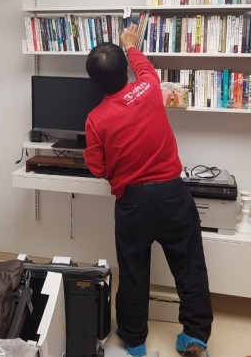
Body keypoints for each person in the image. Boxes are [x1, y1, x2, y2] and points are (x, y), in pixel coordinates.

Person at [83, 24, 213, 356]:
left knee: (133, 272)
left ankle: (135, 341)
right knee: (190, 267)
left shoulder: (96, 119)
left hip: (133, 203)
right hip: (173, 195)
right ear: (124, 71)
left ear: (95, 82)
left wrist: (114, 166)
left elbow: (97, 167)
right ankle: (195, 337)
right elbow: (145, 68)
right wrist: (130, 45)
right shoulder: (148, 86)